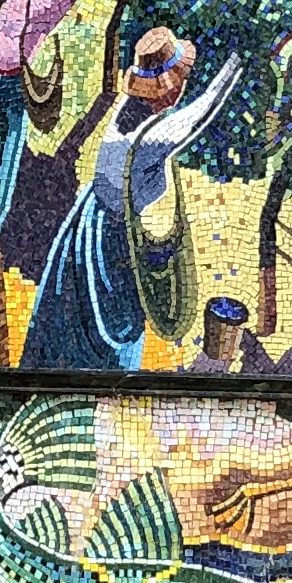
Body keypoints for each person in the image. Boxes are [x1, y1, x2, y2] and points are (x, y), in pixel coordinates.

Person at [21, 25, 239, 371]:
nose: (182, 86)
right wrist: (238, 63)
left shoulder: (129, 108)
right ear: (168, 89)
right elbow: (202, 111)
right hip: (114, 238)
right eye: (180, 79)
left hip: (87, 222)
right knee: (116, 321)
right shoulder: (155, 135)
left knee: (71, 308)